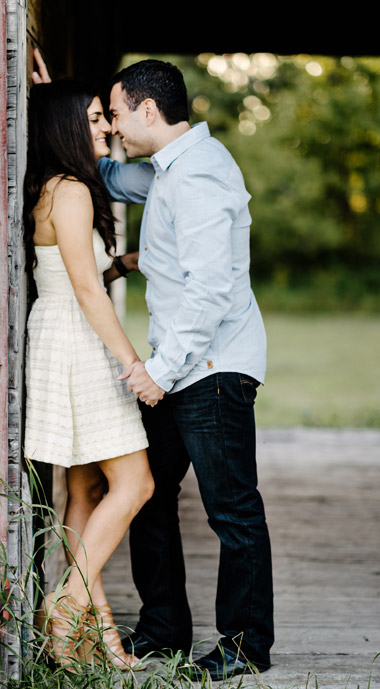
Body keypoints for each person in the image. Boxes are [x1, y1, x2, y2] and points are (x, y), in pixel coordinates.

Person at [98, 58, 273, 682]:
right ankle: (165, 627)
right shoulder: (173, 170)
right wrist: (60, 117)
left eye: (115, 114)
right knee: (146, 492)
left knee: (231, 509)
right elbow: (116, 180)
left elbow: (212, 290)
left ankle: (248, 644)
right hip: (184, 367)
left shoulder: (197, 175)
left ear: (149, 110)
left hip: (209, 368)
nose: (113, 127)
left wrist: (159, 370)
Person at [21, 75, 155, 672]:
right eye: (97, 117)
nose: (107, 126)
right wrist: (133, 362)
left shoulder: (52, 188)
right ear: (71, 125)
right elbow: (83, 288)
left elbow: (84, 273)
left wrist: (126, 263)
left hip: (60, 334)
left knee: (82, 490)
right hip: (79, 342)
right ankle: (68, 605)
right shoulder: (73, 192)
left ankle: (97, 641)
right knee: (136, 484)